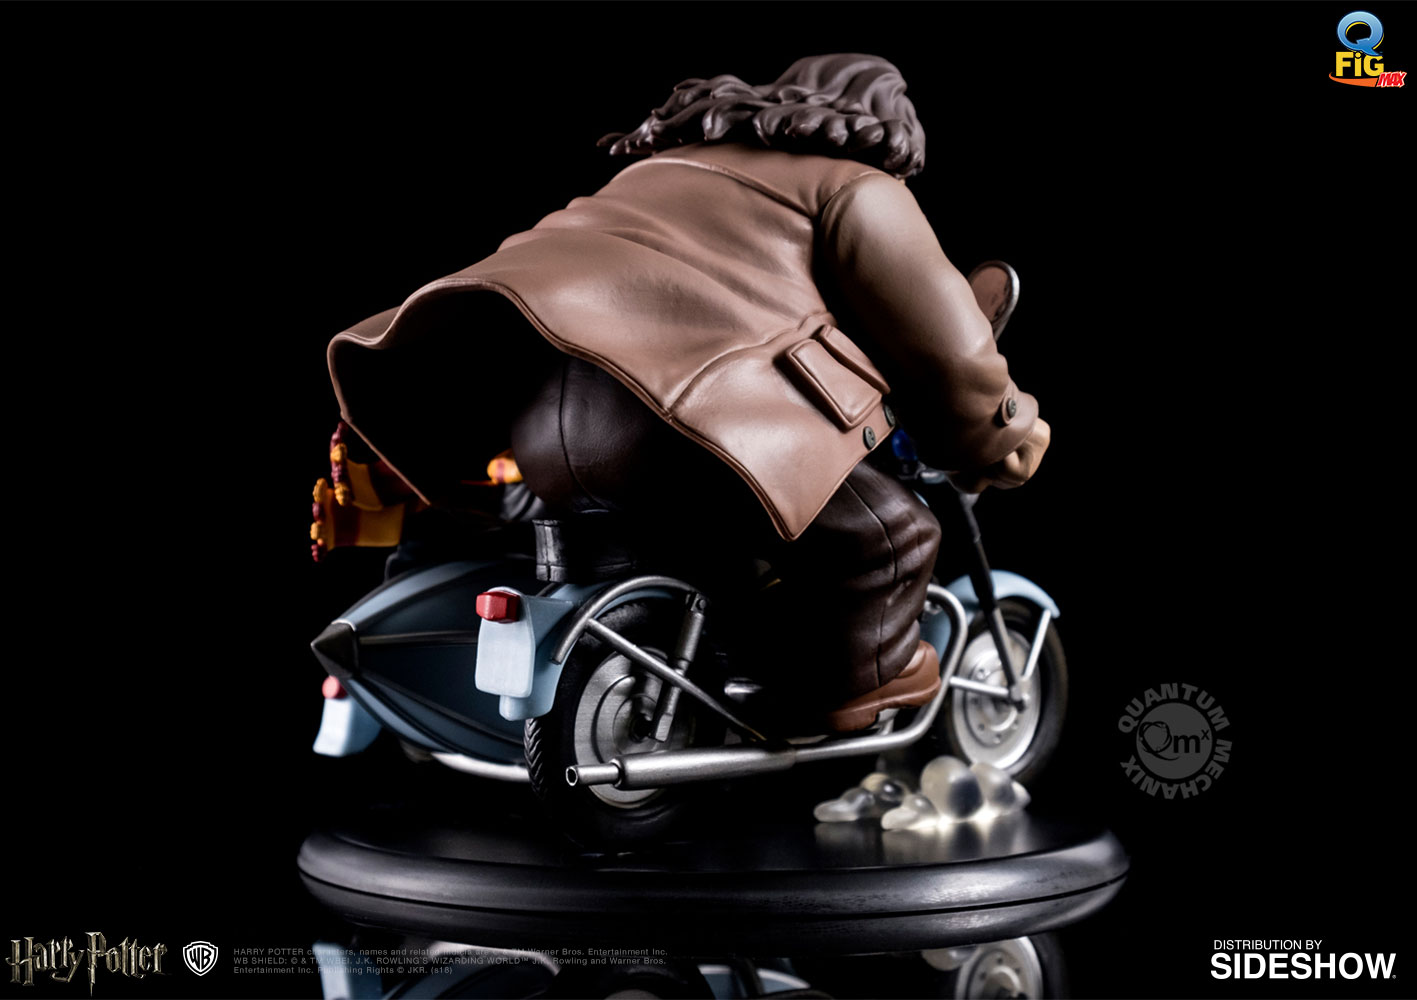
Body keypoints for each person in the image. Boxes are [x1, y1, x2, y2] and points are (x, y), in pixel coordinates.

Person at [325, 54, 1049, 731]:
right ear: (886, 129)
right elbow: (944, 341)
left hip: (545, 426)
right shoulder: (854, 185)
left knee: (712, 555)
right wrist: (1004, 436)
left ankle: (718, 663)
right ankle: (854, 689)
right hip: (691, 431)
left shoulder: (656, 170)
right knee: (891, 538)